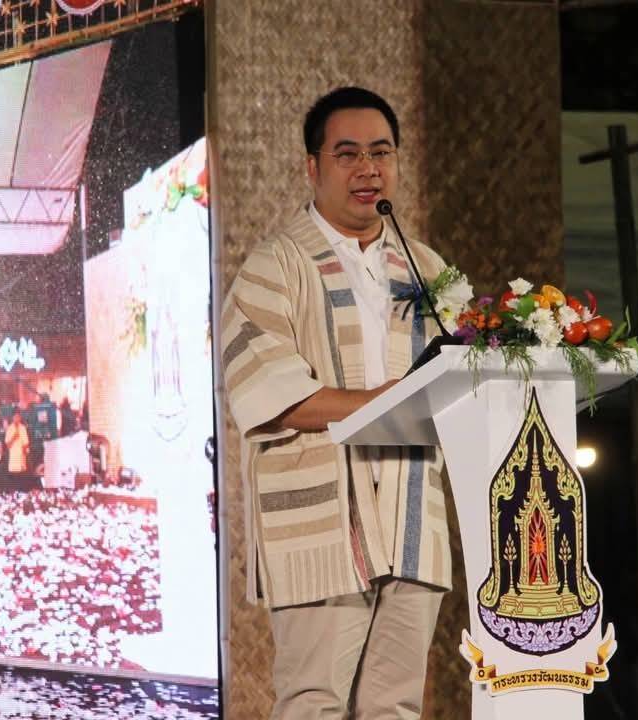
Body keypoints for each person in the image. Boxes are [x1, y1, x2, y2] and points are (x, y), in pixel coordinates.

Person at [221, 86, 452, 720]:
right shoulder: (274, 266)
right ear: (313, 166)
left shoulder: (427, 270)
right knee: (314, 704)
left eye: (381, 152)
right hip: (322, 519)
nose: (367, 168)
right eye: (347, 153)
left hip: (410, 512)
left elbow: (464, 372)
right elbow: (267, 391)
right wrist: (381, 402)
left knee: (394, 707)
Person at [4, 408, 32, 493]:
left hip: (21, 456)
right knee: (14, 476)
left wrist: (24, 449)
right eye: (15, 417)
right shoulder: (10, 428)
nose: (17, 418)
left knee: (22, 476)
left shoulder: (23, 428)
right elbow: (8, 445)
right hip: (13, 456)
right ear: (12, 418)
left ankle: (22, 492)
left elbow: (26, 442)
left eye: (18, 417)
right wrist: (14, 437)